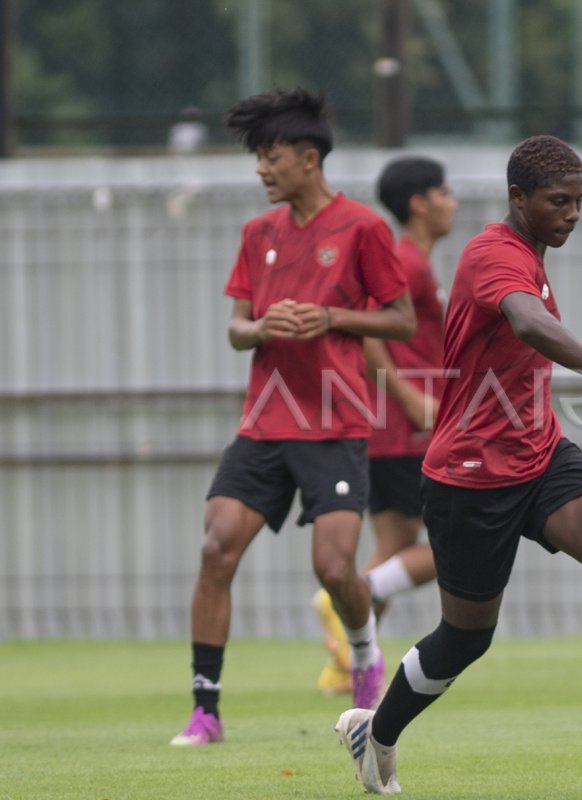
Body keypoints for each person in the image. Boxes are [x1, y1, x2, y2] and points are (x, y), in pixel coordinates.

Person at [333, 135, 582, 794]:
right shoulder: (493, 253)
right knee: (465, 639)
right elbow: (525, 322)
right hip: (469, 475)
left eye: (579, 201)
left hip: (541, 454)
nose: (572, 214)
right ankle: (374, 733)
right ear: (517, 198)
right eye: (559, 201)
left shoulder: (532, 254)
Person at [170, 87, 417, 746]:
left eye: (270, 156)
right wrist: (261, 327)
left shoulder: (363, 229)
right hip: (263, 422)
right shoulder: (258, 234)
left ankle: (364, 658)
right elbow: (235, 329)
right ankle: (205, 710)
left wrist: (331, 317)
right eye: (257, 157)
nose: (260, 169)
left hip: (334, 424)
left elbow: (402, 318)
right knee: (216, 545)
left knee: (335, 569)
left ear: (309, 158)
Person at [314, 156, 455, 695]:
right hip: (404, 431)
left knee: (397, 541)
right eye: (444, 192)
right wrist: (411, 397)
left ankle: (347, 659)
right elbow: (370, 335)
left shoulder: (417, 260)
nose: (453, 202)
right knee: (459, 544)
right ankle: (347, 594)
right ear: (418, 203)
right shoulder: (407, 262)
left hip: (393, 430)